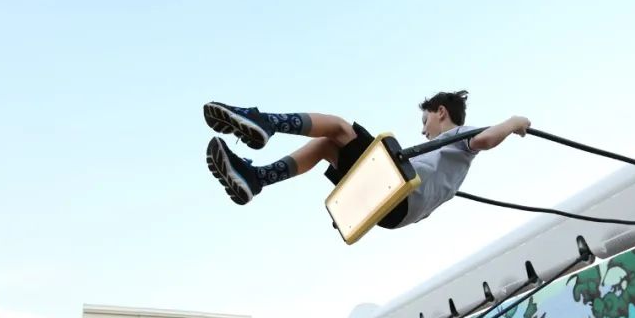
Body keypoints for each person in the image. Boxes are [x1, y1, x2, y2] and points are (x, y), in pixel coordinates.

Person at [201, 92, 531, 228]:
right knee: (326, 145)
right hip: (393, 211)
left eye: (425, 120)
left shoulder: (459, 137)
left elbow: (485, 140)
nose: (423, 130)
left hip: (397, 191)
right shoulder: (445, 167)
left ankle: (265, 122)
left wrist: (514, 122)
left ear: (441, 112)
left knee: (340, 127)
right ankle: (257, 177)